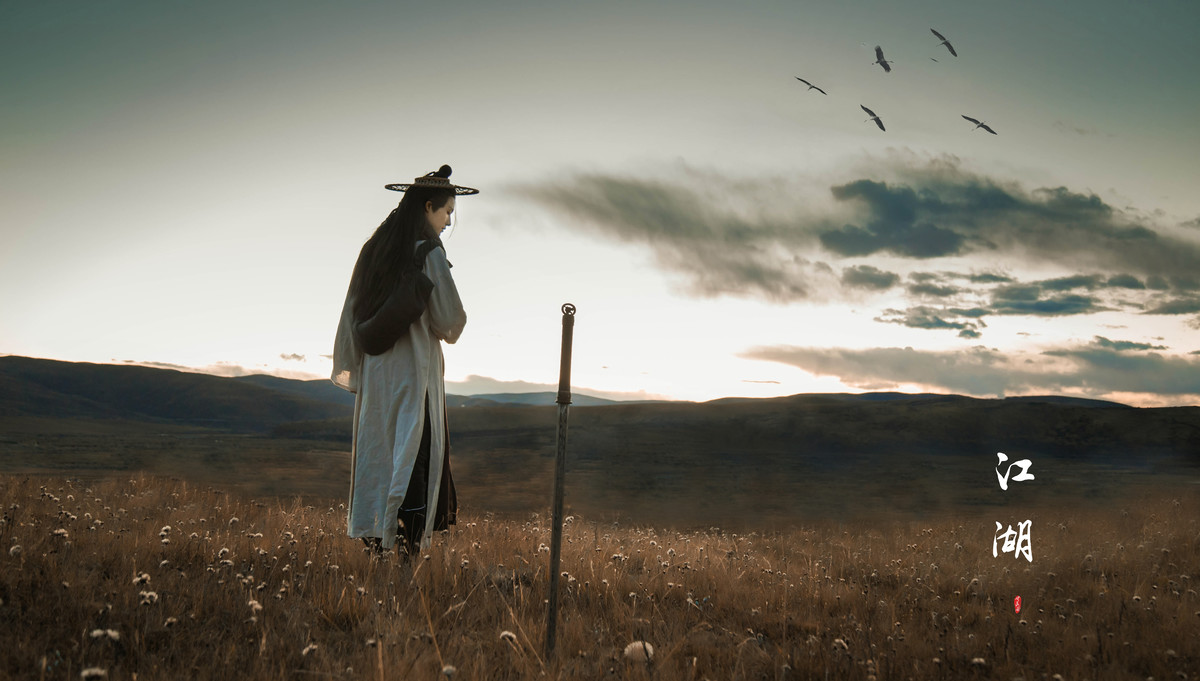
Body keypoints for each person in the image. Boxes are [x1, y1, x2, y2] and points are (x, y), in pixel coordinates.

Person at [331, 164, 476, 557]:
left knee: (381, 452)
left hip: (377, 373)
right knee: (416, 452)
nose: (448, 222)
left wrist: (355, 367)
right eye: (446, 212)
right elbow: (451, 321)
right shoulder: (427, 251)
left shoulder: (375, 252)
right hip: (414, 372)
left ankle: (378, 545)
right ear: (428, 206)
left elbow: (350, 315)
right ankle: (409, 550)